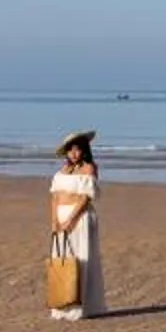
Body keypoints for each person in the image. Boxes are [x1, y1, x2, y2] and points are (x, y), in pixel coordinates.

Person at [47, 131, 106, 320]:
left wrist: (71, 218)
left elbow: (85, 197)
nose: (74, 153)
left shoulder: (89, 168)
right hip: (61, 215)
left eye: (77, 149)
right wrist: (55, 221)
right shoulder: (62, 171)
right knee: (62, 259)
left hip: (80, 218)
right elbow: (55, 197)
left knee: (81, 258)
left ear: (84, 151)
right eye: (70, 150)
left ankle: (81, 306)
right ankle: (62, 303)